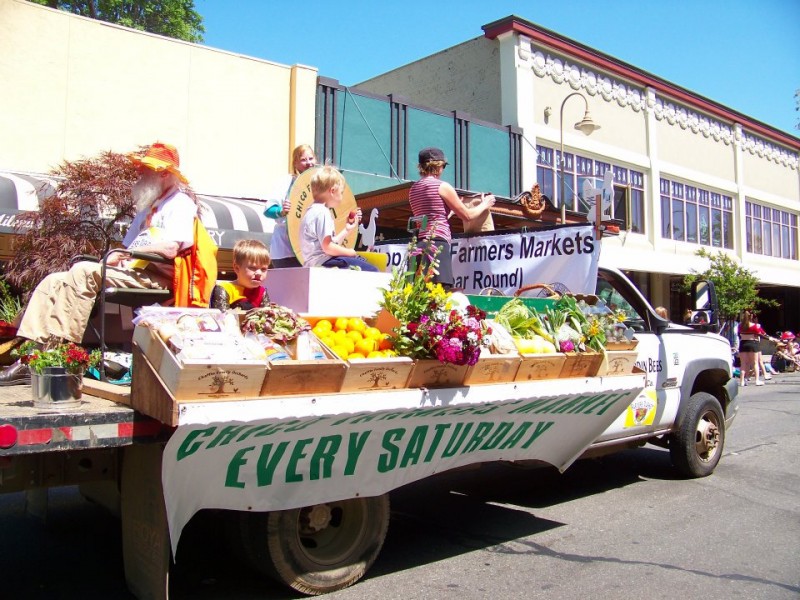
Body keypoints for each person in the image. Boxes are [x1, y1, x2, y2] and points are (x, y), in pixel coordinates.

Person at [0, 142, 199, 386]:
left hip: (158, 276)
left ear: (164, 173)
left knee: (84, 271)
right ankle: (31, 353)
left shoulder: (181, 204)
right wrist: (121, 256)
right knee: (53, 280)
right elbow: (127, 246)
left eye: (146, 169)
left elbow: (171, 248)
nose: (139, 172)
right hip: (133, 271)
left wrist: (128, 254)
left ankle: (60, 354)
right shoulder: (148, 207)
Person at [408, 147, 495, 287]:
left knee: (420, 290)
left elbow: (431, 215)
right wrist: (485, 204)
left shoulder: (413, 189)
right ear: (438, 166)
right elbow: (467, 216)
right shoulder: (442, 186)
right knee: (441, 289)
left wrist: (450, 212)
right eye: (443, 166)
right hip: (437, 244)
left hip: (419, 244)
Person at [299, 166, 378, 272]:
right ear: (332, 191)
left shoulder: (310, 212)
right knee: (372, 270)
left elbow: (327, 244)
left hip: (314, 263)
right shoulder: (322, 212)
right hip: (324, 263)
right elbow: (328, 247)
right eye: (341, 192)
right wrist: (350, 252)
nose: (341, 197)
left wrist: (347, 230)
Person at [264, 144, 316, 268]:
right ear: (295, 164)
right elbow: (268, 210)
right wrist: (281, 211)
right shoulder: (286, 182)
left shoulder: (321, 183)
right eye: (303, 160)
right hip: (285, 251)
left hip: (310, 252)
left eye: (311, 158)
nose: (309, 163)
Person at [210, 239, 271, 310]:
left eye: (263, 269)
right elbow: (221, 315)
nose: (259, 273)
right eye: (252, 268)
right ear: (237, 268)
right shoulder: (225, 289)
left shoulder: (262, 292)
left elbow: (267, 314)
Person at [737, 309, 764, 386]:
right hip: (752, 344)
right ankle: (757, 380)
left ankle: (742, 381)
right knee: (755, 363)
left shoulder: (740, 326)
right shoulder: (755, 326)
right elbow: (760, 334)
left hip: (743, 344)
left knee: (743, 363)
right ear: (751, 317)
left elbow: (739, 334)